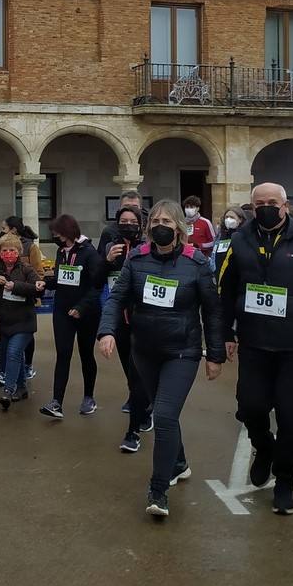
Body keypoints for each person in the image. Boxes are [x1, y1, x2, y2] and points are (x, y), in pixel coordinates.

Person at [218, 182, 293, 516]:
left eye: (273, 202)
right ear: (252, 207)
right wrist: (225, 332)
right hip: (254, 344)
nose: (266, 208)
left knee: (291, 418)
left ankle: (285, 479)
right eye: (260, 204)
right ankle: (263, 448)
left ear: (285, 206)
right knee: (251, 408)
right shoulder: (239, 241)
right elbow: (225, 289)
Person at [98, 200, 225, 518]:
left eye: (167, 220)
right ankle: (179, 462)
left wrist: (216, 354)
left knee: (165, 417)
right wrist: (107, 331)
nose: (159, 225)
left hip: (182, 351)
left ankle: (158, 490)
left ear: (179, 227)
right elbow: (118, 297)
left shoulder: (196, 263)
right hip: (144, 350)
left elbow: (212, 311)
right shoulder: (136, 259)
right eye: (154, 219)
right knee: (162, 411)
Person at [39, 214, 102, 419]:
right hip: (62, 310)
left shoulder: (89, 253)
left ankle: (89, 397)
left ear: (68, 233)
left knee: (86, 354)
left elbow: (97, 285)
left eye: (58, 234)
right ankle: (57, 402)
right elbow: (61, 278)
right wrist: (45, 283)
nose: (55, 237)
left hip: (86, 313)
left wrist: (82, 307)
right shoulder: (61, 252)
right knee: (63, 353)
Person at [100, 204, 153, 436]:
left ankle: (144, 411)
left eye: (133, 222)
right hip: (120, 319)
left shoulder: (147, 249)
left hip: (142, 319)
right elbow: (95, 279)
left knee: (140, 370)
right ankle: (138, 400)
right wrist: (108, 261)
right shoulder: (112, 246)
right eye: (124, 222)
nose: (128, 226)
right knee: (129, 369)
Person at [0, 232, 44, 410]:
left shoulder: (26, 269)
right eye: (5, 250)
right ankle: (22, 388)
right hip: (5, 322)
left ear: (19, 251)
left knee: (14, 353)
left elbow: (37, 289)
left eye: (12, 250)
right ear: (0, 252)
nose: (8, 253)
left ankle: (8, 390)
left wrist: (16, 286)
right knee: (14, 355)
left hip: (24, 322)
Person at [0, 215, 44, 380]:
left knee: (24, 340)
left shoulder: (30, 248)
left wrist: (18, 285)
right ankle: (16, 378)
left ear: (13, 229)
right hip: (6, 306)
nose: (1, 231)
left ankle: (26, 367)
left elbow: (39, 274)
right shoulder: (0, 248)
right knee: (10, 346)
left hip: (25, 301)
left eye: (4, 228)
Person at [97, 189, 145, 255]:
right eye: (126, 206)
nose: (130, 210)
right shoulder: (109, 231)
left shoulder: (148, 229)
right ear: (120, 208)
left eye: (135, 207)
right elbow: (100, 258)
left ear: (140, 209)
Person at [211, 207, 245, 277]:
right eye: (226, 217)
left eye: (232, 217)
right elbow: (214, 253)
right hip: (219, 273)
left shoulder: (244, 235)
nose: (228, 220)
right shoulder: (221, 235)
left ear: (240, 219)